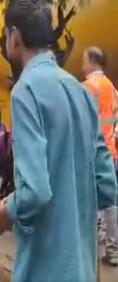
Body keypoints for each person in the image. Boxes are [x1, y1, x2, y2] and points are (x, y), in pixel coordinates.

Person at [0, 0, 117, 282]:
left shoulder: (26, 90)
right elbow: (107, 186)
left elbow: (36, 192)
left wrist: (3, 214)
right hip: (82, 269)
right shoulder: (80, 92)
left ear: (14, 36)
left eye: (6, 35)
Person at [82, 46, 118, 267]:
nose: (82, 66)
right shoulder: (113, 89)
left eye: (84, 61)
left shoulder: (87, 87)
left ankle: (90, 249)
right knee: (112, 202)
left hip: (92, 152)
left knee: (90, 202)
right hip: (111, 152)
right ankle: (114, 250)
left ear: (93, 61)